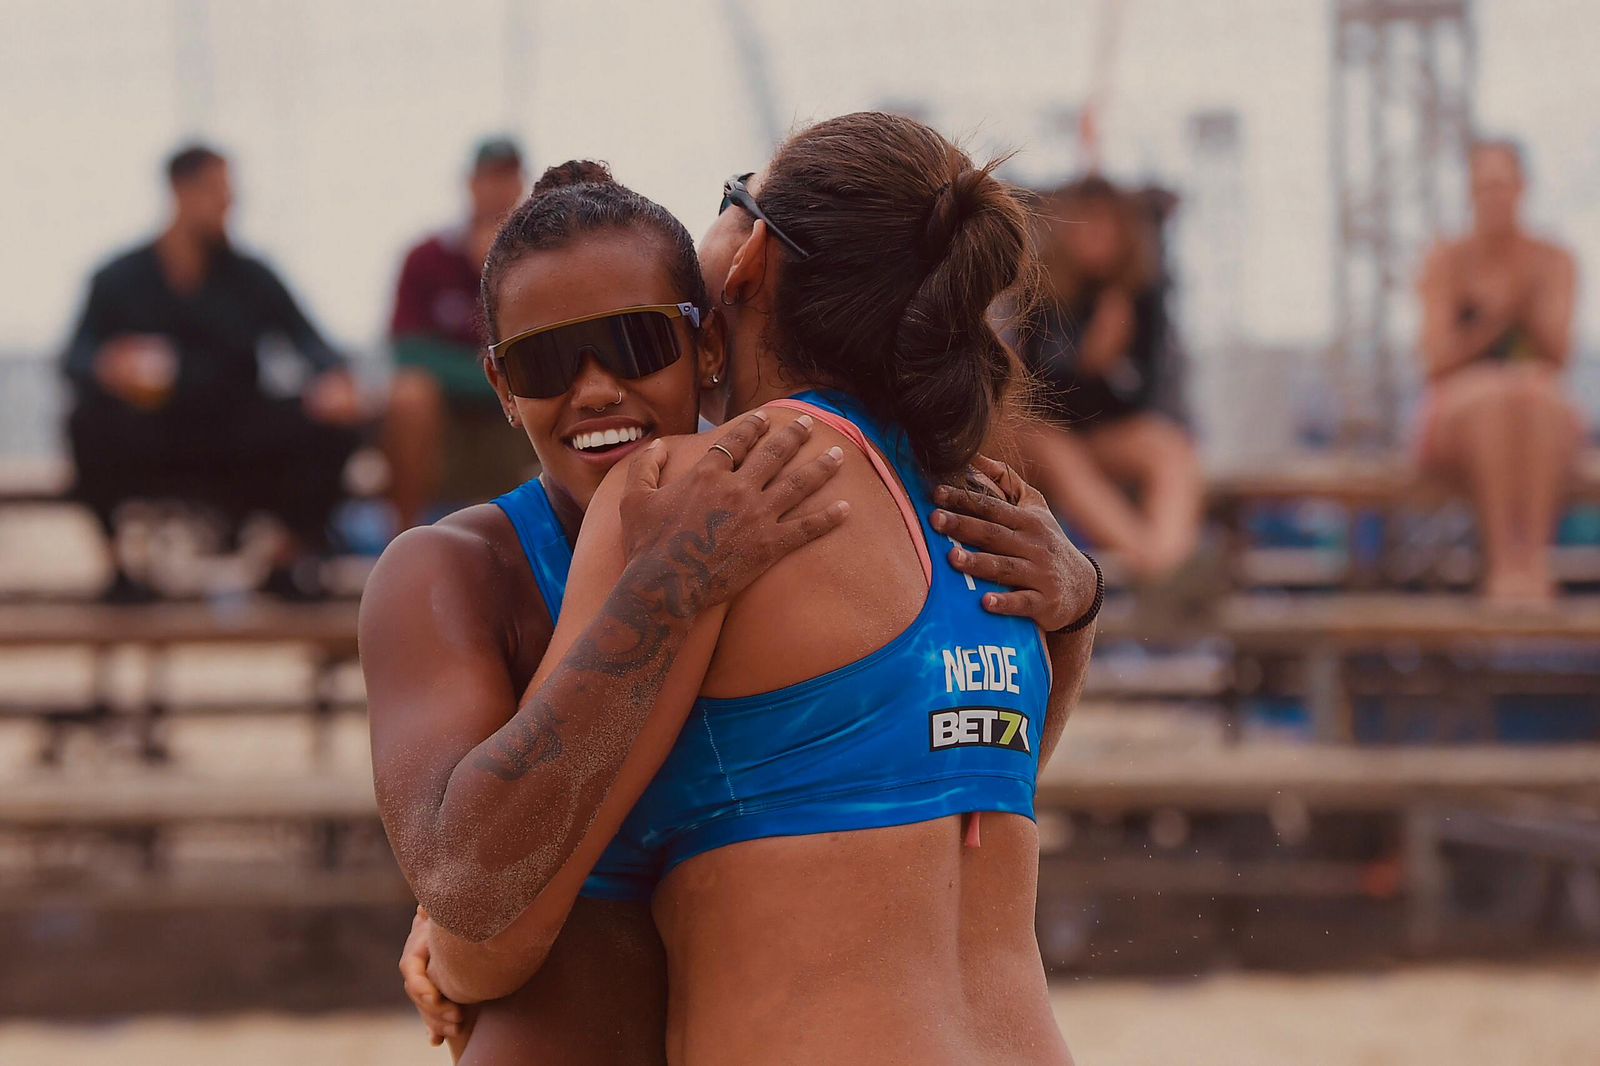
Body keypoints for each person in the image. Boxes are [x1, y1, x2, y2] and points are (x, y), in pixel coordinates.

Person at [397, 114, 1100, 1066]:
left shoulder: (703, 489)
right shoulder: (984, 499)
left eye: (731, 195)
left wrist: (443, 937)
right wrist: (1082, 616)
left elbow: (491, 928)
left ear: (751, 252)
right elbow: (930, 789)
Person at [62, 143, 364, 601]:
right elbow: (74, 358)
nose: (228, 205)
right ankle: (119, 570)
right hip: (153, 437)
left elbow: (311, 343)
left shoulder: (251, 275)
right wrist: (111, 366)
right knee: (84, 419)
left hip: (235, 430)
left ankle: (287, 560)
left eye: (229, 194)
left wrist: (335, 381)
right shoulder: (119, 277)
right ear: (180, 192)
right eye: (216, 192)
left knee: (334, 419)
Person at [1416, 138, 1583, 603]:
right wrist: (1498, 318)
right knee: (1494, 395)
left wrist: (1527, 308)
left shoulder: (1553, 260)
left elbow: (1558, 357)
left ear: (1522, 188)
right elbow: (1436, 361)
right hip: (1459, 415)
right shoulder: (1446, 261)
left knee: (1529, 394)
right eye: (1485, 187)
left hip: (1533, 409)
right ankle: (1506, 562)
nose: (1495, 197)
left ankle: (1532, 561)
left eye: (1502, 185)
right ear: (1470, 193)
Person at [1013, 175, 1202, 583]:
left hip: (1108, 431)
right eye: (1087, 226)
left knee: (1171, 449)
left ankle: (1169, 563)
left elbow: (1146, 394)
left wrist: (1112, 370)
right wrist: (1089, 365)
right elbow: (1039, 394)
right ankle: (1155, 566)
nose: (1098, 238)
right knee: (1056, 452)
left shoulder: (1139, 295)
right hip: (1055, 437)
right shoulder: (1041, 292)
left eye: (1107, 226)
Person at [384, 137, 531, 529]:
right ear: (470, 183)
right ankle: (402, 540)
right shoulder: (427, 257)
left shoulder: (537, 260)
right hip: (461, 408)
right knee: (409, 395)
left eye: (507, 178)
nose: (497, 189)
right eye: (489, 178)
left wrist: (503, 271)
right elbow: (407, 353)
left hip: (521, 401)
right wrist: (492, 374)